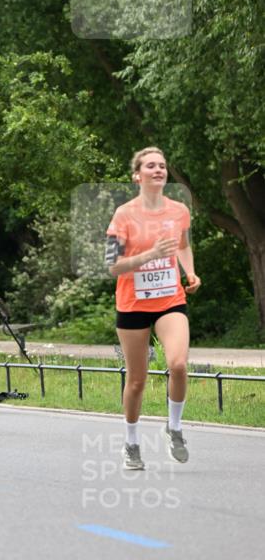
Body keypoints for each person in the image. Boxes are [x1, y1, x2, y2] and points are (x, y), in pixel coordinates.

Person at [106, 146, 201, 469]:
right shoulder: (124, 215)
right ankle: (131, 444)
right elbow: (113, 266)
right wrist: (150, 254)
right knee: (137, 380)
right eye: (151, 166)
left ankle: (174, 427)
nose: (159, 170)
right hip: (132, 304)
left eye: (162, 165)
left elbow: (184, 246)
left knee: (178, 364)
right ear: (138, 176)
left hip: (170, 300)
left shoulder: (178, 211)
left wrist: (189, 271)